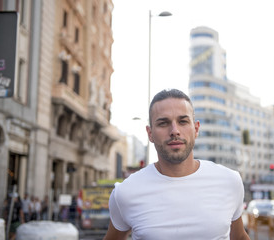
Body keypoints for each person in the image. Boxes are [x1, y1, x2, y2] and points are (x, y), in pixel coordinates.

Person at [103, 89, 250, 240]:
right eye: (163, 123)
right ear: (150, 134)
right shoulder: (126, 192)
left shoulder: (229, 181)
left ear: (196, 129)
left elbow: (239, 237)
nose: (174, 131)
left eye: (183, 121)